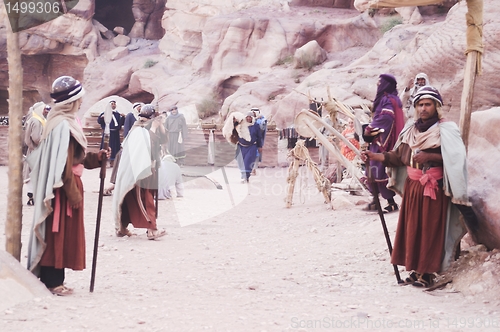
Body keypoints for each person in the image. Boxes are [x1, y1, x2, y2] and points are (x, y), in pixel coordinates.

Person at [361, 86, 470, 288]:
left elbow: (456, 159)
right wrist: (375, 156)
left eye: (428, 104)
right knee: (412, 228)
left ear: (436, 107)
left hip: (433, 187)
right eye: (420, 104)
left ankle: (427, 273)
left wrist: (430, 156)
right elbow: (398, 157)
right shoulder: (410, 130)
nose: (423, 108)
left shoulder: (446, 130)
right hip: (413, 187)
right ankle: (414, 270)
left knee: (430, 229)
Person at [26, 76, 109, 296]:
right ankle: (53, 282)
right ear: (71, 102)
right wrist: (74, 195)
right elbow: (63, 165)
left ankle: (52, 279)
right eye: (79, 100)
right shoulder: (62, 125)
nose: (81, 103)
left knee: (57, 234)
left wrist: (97, 159)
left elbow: (73, 158)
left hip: (62, 186)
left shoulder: (61, 122)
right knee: (58, 235)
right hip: (63, 189)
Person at [112, 104, 167, 239]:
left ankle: (122, 228)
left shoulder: (146, 129)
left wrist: (159, 126)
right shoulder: (139, 130)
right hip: (140, 172)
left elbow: (164, 141)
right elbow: (151, 146)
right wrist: (154, 128)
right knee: (146, 199)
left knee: (134, 199)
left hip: (148, 169)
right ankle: (152, 229)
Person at [363, 73, 405, 213]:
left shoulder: (387, 99)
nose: (377, 85)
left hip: (382, 142)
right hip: (384, 141)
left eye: (380, 83)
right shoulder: (394, 99)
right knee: (375, 171)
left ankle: (391, 203)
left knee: (378, 171)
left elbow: (387, 117)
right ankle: (376, 201)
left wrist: (370, 128)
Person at [103, 101, 142, 196]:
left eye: (141, 107)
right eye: (138, 107)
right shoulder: (130, 116)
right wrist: (126, 141)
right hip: (130, 141)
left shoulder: (140, 118)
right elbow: (127, 129)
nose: (140, 108)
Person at [23, 102, 51, 205]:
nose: (45, 111)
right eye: (44, 109)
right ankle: (33, 197)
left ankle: (32, 197)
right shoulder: (37, 121)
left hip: (36, 150)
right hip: (37, 150)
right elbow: (36, 138)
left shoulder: (35, 119)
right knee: (34, 173)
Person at [237, 111, 263, 183]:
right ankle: (245, 177)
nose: (248, 118)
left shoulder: (256, 125)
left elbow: (259, 136)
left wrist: (260, 146)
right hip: (242, 146)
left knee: (248, 161)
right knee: (242, 161)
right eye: (247, 117)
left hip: (252, 147)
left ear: (252, 118)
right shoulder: (241, 124)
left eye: (250, 117)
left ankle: (245, 176)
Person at [97, 100, 124, 167]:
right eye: (112, 104)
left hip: (115, 133)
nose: (113, 105)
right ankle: (104, 162)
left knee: (115, 148)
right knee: (106, 147)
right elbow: (99, 121)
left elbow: (121, 123)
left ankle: (113, 162)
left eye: (114, 104)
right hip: (107, 133)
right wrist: (101, 118)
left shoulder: (118, 114)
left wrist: (123, 117)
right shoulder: (104, 113)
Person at [251, 108, 267, 175]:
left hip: (257, 141)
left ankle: (254, 169)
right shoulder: (248, 120)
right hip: (249, 141)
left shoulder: (261, 120)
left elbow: (262, 128)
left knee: (256, 155)